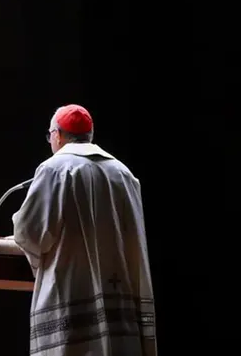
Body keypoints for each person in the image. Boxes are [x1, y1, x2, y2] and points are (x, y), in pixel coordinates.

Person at [11, 104, 157, 356]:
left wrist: (18, 222)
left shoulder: (54, 169)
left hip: (71, 296)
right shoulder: (123, 173)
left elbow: (31, 233)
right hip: (119, 300)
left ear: (56, 135)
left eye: (50, 136)